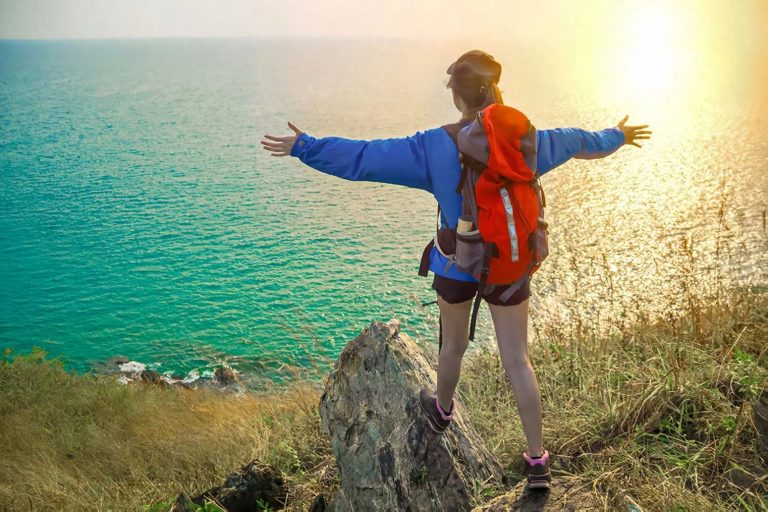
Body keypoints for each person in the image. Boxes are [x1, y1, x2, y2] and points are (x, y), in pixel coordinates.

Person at [261, 50, 651, 489]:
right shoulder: (526, 139)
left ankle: (442, 409)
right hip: (508, 266)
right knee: (518, 360)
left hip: (456, 264)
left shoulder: (433, 145)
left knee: (453, 346)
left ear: (457, 96)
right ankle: (538, 462)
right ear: (494, 89)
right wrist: (617, 135)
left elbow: (367, 158)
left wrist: (306, 147)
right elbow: (580, 140)